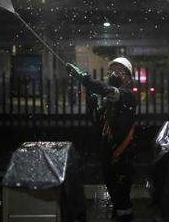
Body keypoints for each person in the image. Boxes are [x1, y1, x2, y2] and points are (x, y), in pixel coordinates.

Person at [66, 57, 137, 221]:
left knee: (122, 198)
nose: (113, 74)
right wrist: (92, 105)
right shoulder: (109, 103)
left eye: (118, 71)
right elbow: (99, 124)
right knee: (113, 193)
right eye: (112, 70)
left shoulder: (127, 96)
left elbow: (106, 90)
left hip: (122, 157)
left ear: (128, 77)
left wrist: (84, 78)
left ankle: (126, 218)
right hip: (109, 154)